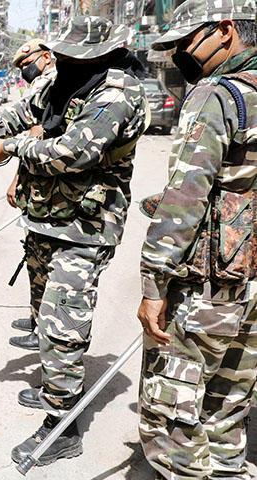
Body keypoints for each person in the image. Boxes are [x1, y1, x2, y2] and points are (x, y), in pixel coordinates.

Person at [0, 17, 149, 465]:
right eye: (60, 53)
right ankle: (58, 389)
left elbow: (73, 152)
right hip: (48, 219)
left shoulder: (118, 92)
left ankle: (62, 427)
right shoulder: (64, 80)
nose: (61, 62)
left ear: (103, 53)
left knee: (61, 325)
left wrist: (8, 150)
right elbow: (22, 111)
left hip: (87, 227)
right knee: (46, 322)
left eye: (72, 56)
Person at [135, 1, 257, 478]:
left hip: (209, 288)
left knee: (172, 413)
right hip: (249, 284)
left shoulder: (216, 95)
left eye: (187, 42)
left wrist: (152, 286)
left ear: (225, 31)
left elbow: (185, 200)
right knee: (229, 406)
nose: (181, 54)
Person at [0, 38, 57, 352]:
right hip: (41, 190)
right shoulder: (44, 85)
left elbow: (36, 136)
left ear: (45, 57)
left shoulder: (55, 84)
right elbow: (20, 118)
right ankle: (37, 320)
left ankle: (43, 328)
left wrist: (15, 178)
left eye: (26, 64)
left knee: (44, 266)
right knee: (35, 260)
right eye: (20, 67)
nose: (25, 70)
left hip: (52, 194)